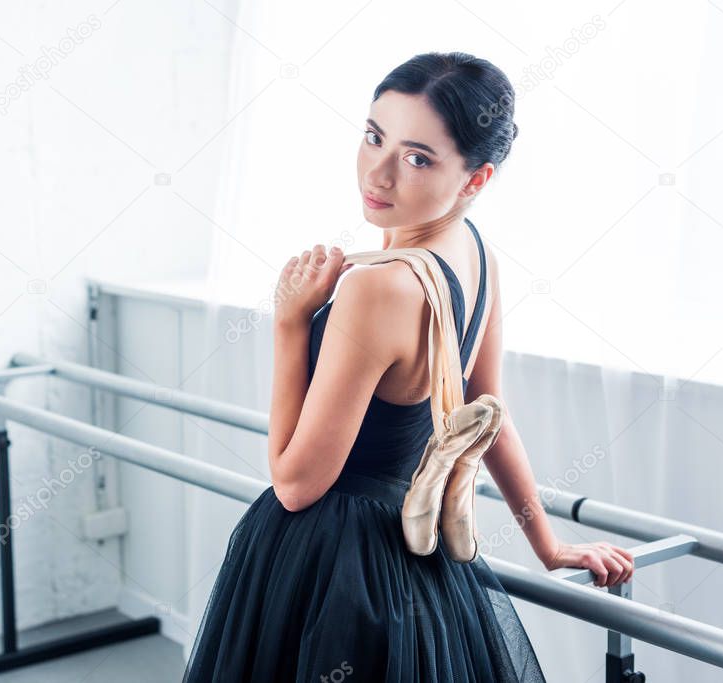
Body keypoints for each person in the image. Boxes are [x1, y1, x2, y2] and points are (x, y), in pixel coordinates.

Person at [183, 51, 635, 682]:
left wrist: (288, 325)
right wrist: (547, 544)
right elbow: (491, 412)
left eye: (418, 157)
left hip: (331, 561)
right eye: (374, 136)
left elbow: (296, 484)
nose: (379, 171)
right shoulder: (477, 253)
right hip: (417, 560)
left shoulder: (380, 288)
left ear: (476, 179)